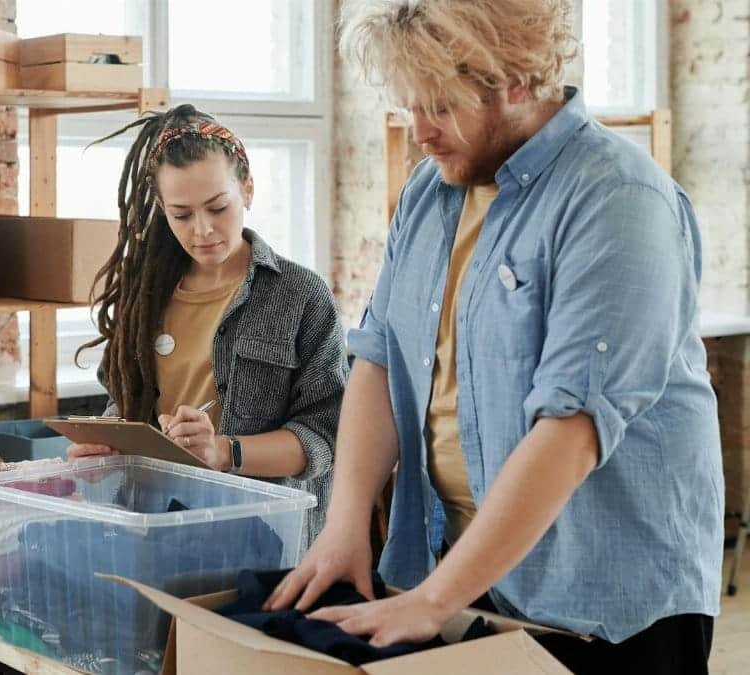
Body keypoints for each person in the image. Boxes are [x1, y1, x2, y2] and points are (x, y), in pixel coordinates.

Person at [264, 2, 723, 673]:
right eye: (408, 105)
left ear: (516, 78)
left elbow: (571, 431)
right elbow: (381, 356)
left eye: (440, 106)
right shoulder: (430, 190)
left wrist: (432, 600)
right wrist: (345, 522)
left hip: (605, 602)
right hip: (461, 577)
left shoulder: (618, 200)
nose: (419, 131)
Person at [67, 104, 349, 547]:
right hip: (149, 529)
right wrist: (102, 453)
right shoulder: (144, 297)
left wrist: (223, 451)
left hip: (264, 541)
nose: (203, 230)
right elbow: (122, 405)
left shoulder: (300, 296)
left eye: (218, 207)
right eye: (181, 214)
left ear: (247, 190)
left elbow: (324, 439)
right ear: (161, 208)